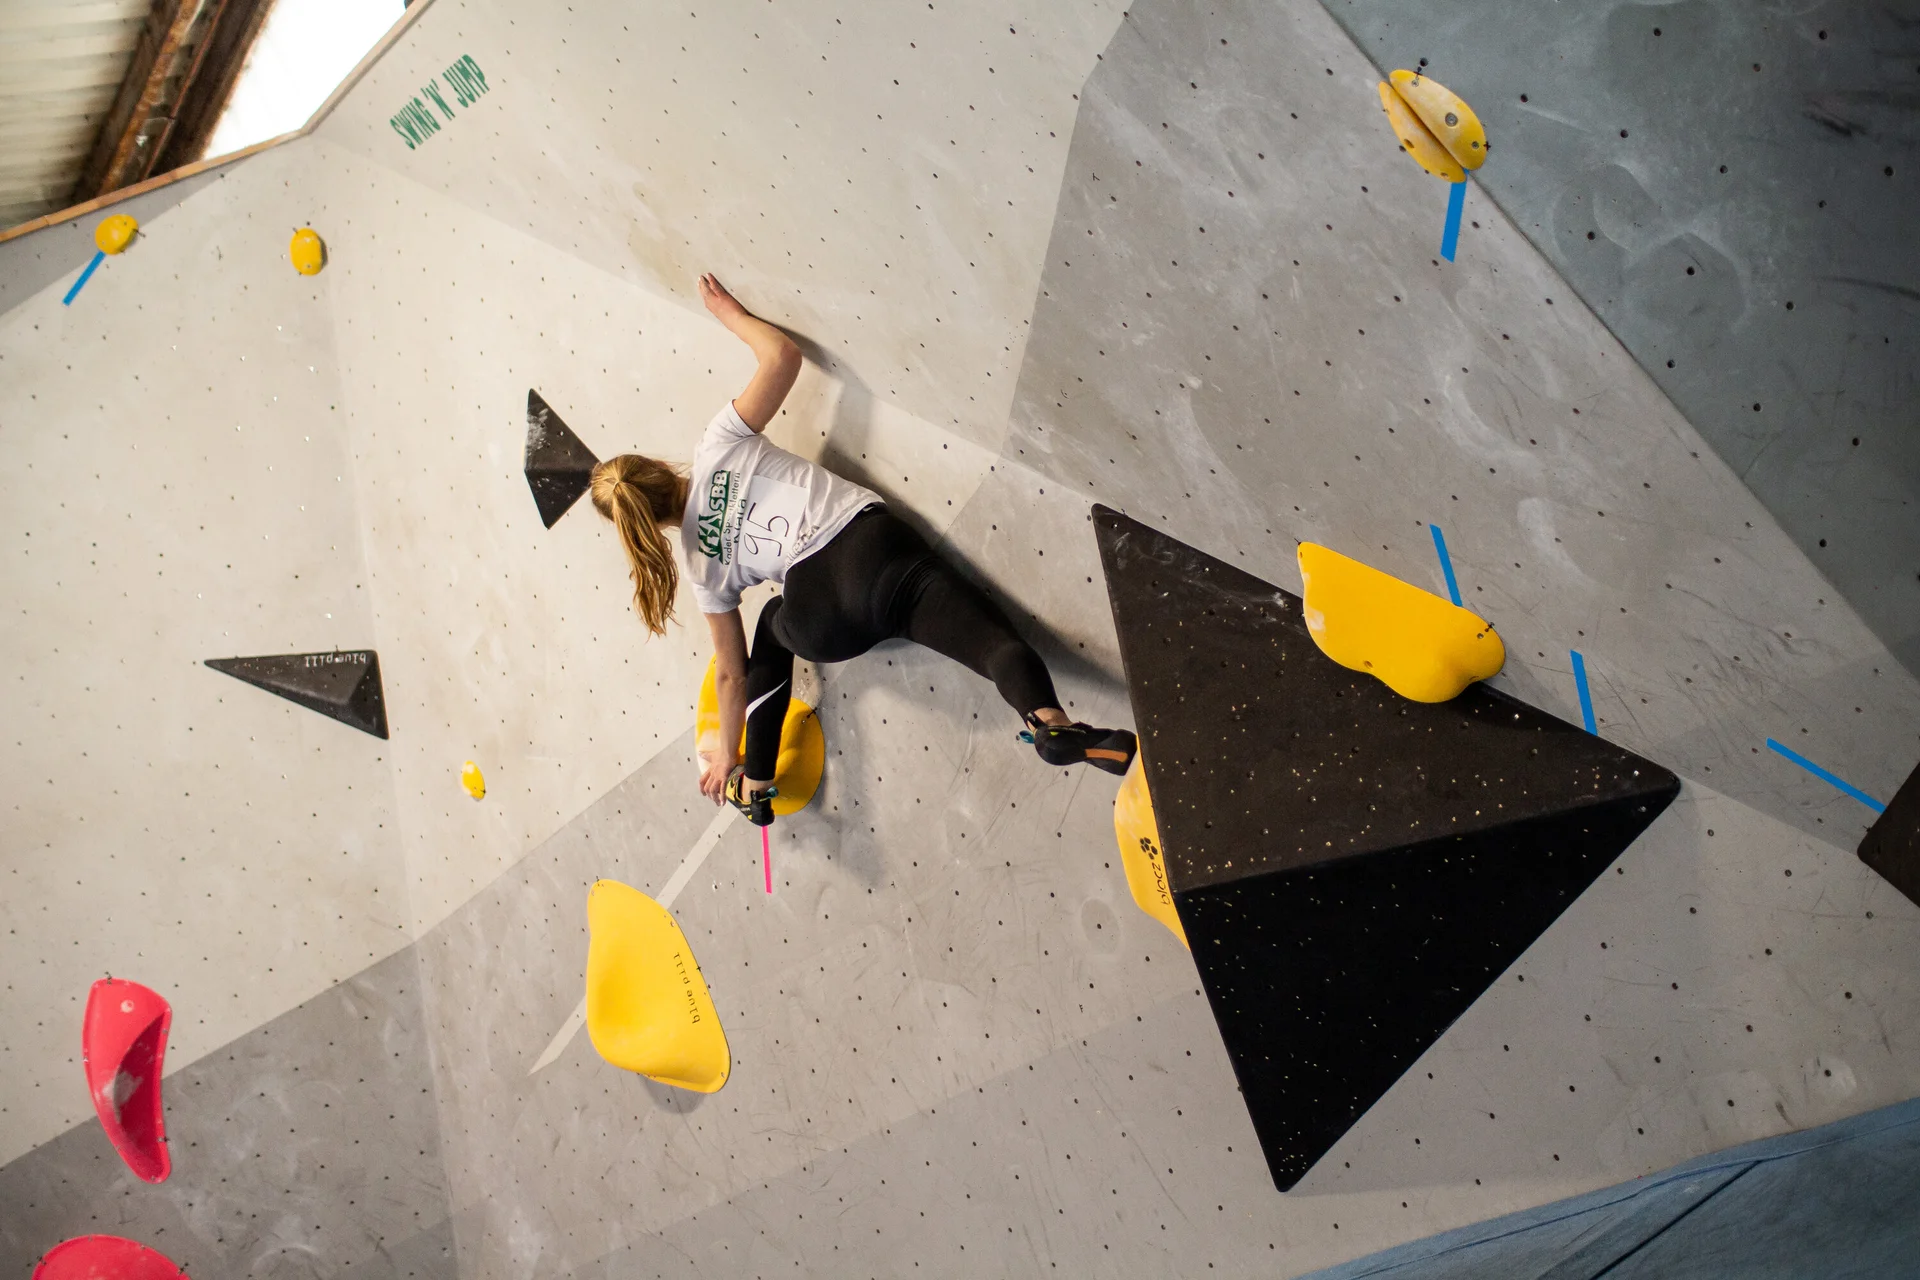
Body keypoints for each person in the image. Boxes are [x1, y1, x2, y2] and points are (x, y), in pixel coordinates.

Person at [590, 274, 1136, 826]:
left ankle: (755, 783)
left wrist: (726, 755)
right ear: (658, 467)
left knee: (773, 621)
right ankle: (1048, 721)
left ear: (647, 527)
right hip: (875, 551)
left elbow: (731, 675)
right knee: (992, 645)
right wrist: (730, 314)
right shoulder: (717, 444)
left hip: (824, 623)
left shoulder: (700, 568)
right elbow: (782, 356)